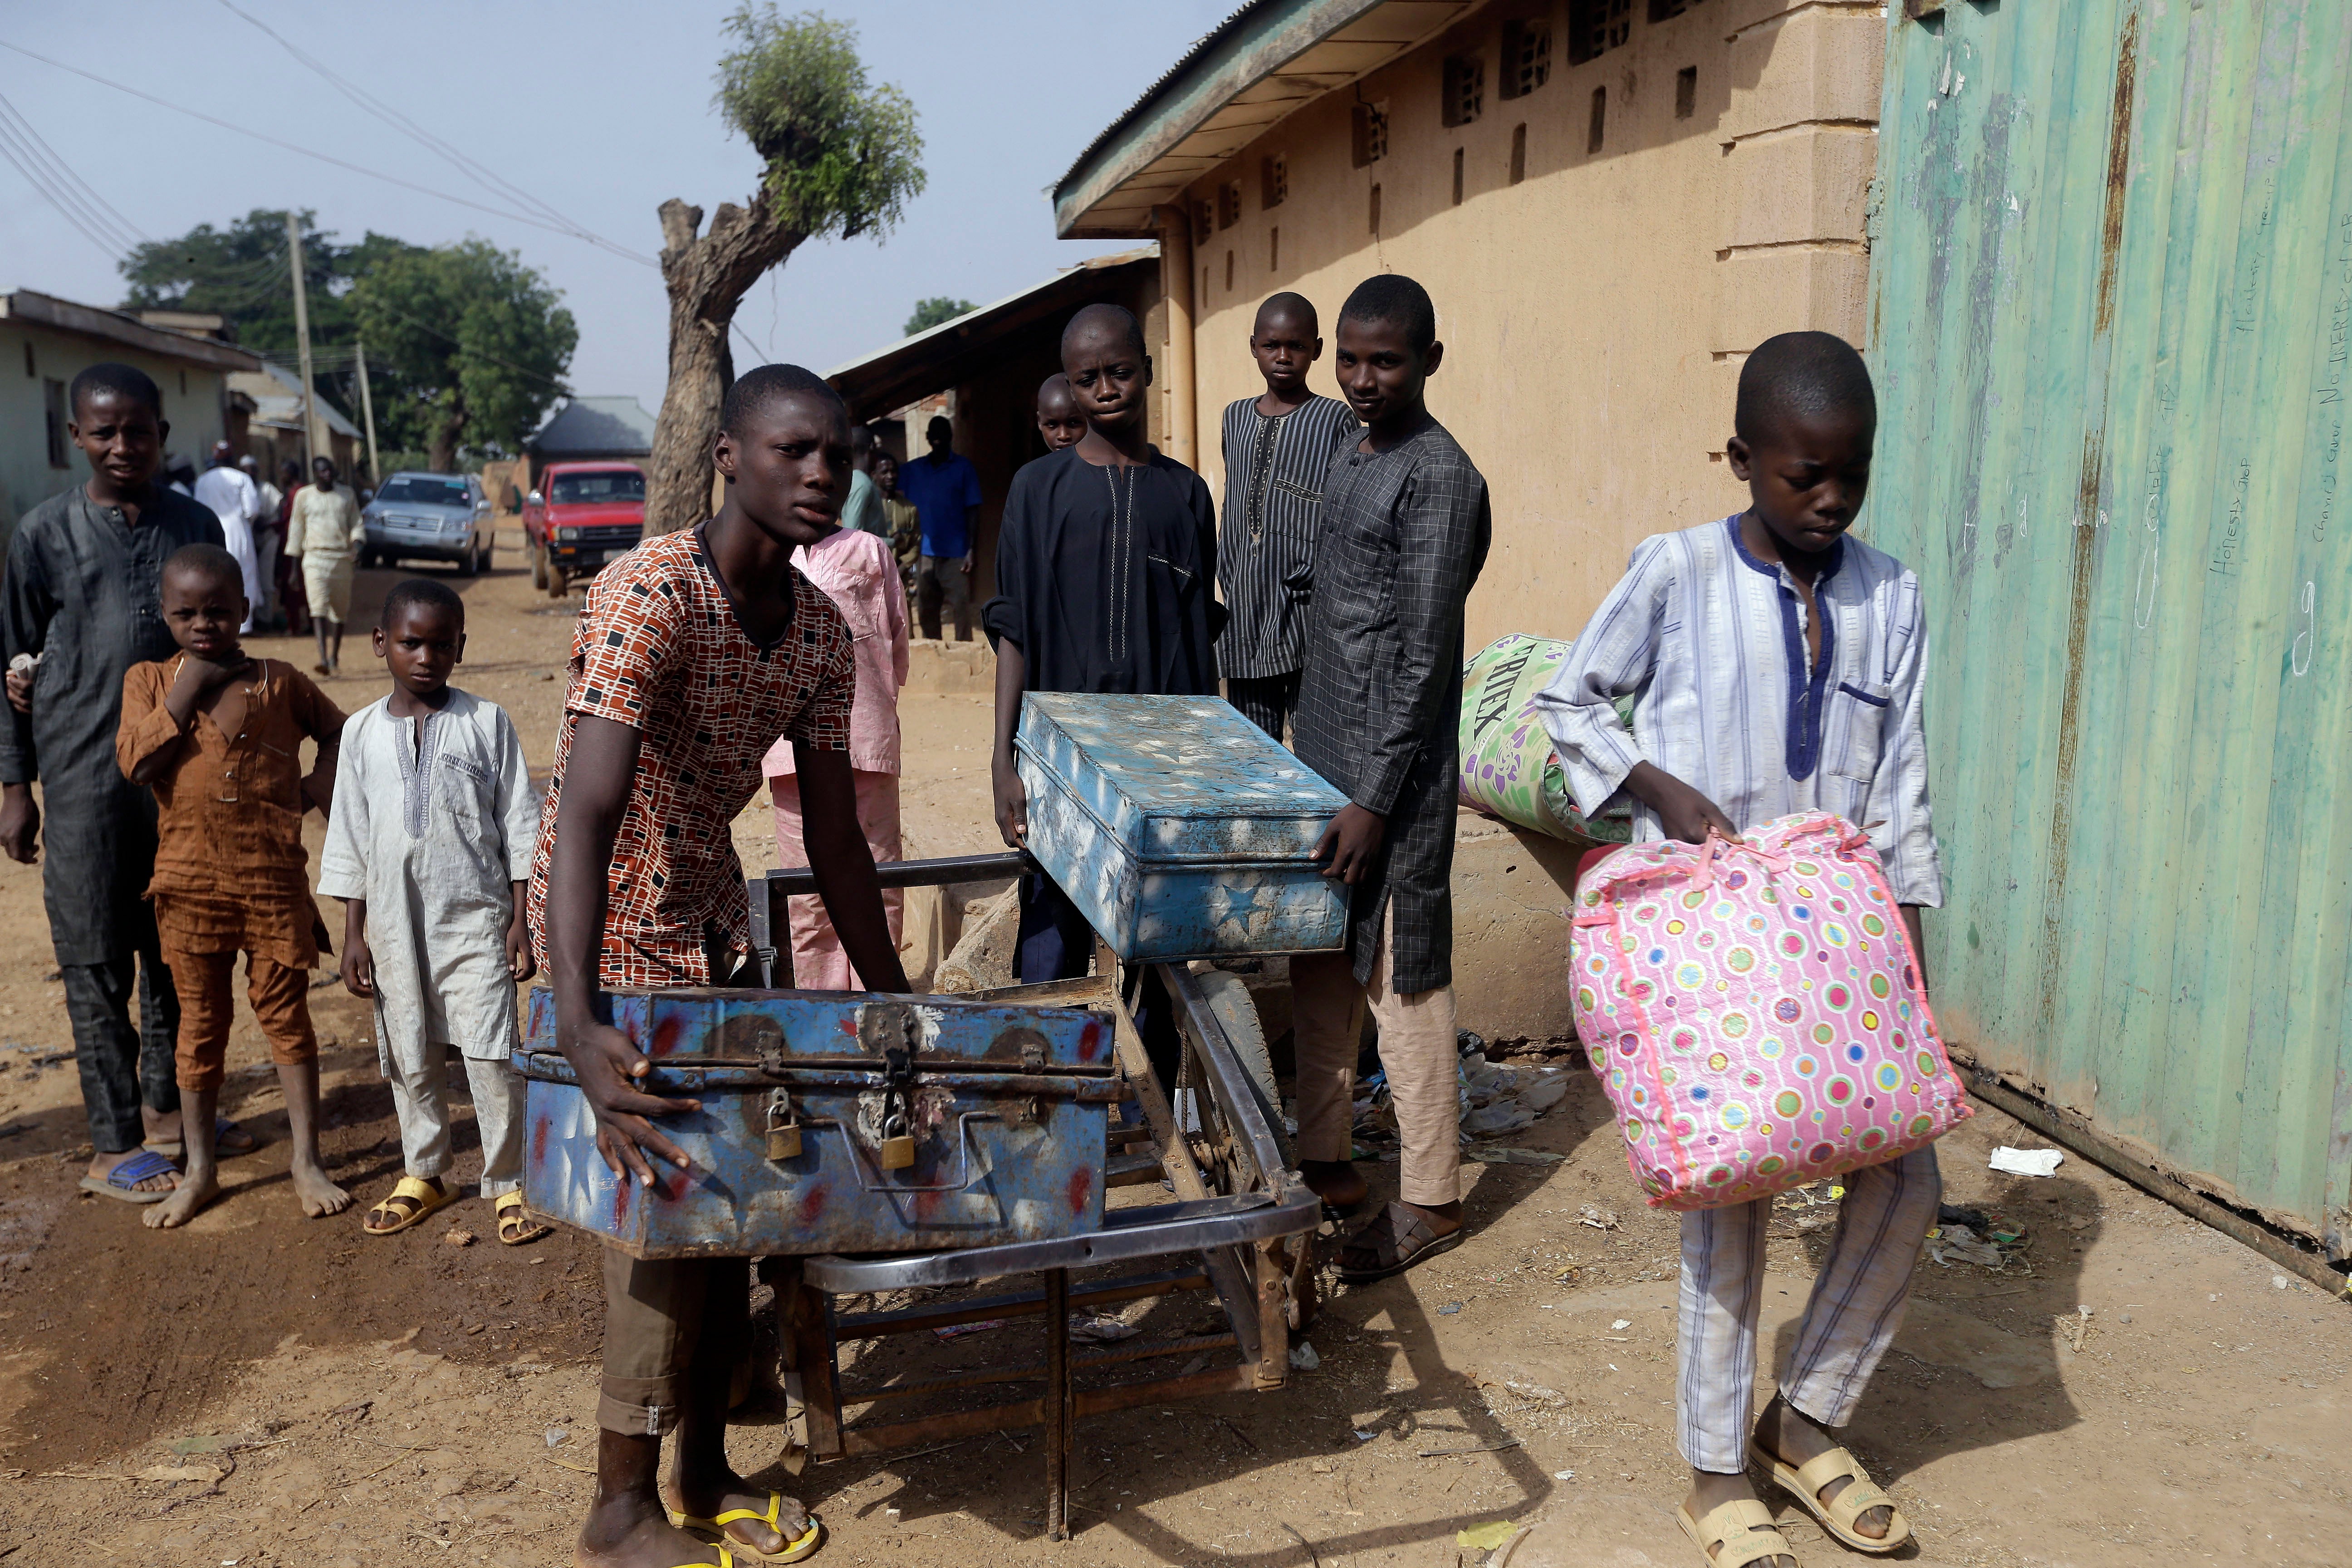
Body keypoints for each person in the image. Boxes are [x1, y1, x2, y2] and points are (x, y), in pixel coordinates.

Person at [1533, 331, 1936, 1568]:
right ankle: (1714, 1475)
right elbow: (1568, 702)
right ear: (1743, 459)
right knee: (1733, 1203)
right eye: (1801, 475)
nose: (1827, 501)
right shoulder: (1674, 574)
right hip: (1708, 944)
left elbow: (1905, 789)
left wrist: (1912, 975)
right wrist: (1665, 784)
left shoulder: (1892, 595)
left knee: (1906, 1178)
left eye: (1849, 477)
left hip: (1839, 944)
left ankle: (1802, 1422)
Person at [532, 363, 907, 1568]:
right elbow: (586, 814)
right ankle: (618, 1510)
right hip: (610, 931)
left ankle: (700, 1469)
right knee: (661, 1210)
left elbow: (837, 837)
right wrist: (584, 1023)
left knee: (736, 1197)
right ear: (730, 460)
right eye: (793, 450)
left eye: (835, 455)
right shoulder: (650, 596)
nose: (818, 472)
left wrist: (893, 993)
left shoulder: (815, 632)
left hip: (709, 921)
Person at [1285, 274, 1490, 1285]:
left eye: (1388, 362)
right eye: (1351, 360)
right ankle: (1324, 1156)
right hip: (1324, 751)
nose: (1364, 380)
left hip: (1393, 782)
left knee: (1403, 977)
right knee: (1320, 958)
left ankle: (1434, 1196)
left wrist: (1373, 797)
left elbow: (1424, 655)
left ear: (1430, 363)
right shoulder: (1348, 446)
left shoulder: (1441, 477)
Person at [0, 363, 240, 1204]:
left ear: (161, 434)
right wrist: (14, 785)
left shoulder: (194, 522)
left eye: (137, 430)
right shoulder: (41, 534)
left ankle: (171, 1107)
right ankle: (111, 1141)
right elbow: (11, 660)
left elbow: (228, 646)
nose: (122, 445)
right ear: (75, 438)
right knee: (95, 954)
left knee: (177, 947)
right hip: (80, 776)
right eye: (103, 431)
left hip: (182, 779)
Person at [985, 303, 1221, 1089]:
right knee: (1051, 926)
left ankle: (1147, 1107)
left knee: (1154, 933)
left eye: (1118, 371)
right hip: (1057, 752)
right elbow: (1013, 628)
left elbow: (1196, 644)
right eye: (1087, 378)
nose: (1105, 390)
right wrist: (1002, 758)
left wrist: (1203, 768)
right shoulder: (1036, 490)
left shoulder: (1184, 495)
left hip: (1159, 759)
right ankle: (1041, 1099)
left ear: (1146, 368)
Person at [116, 543, 352, 1229]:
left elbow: (341, 733)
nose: (203, 625)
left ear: (245, 609)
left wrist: (309, 792)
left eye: (218, 611)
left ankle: (306, 1160)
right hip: (188, 889)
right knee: (200, 1026)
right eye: (185, 613)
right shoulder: (151, 681)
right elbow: (134, 763)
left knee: (286, 1016)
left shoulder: (281, 682)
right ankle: (200, 1170)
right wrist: (187, 688)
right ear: (164, 615)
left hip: (272, 883)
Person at [320, 579, 548, 1245]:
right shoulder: (360, 733)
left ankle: (508, 1181)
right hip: (392, 924)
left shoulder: (487, 723)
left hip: (475, 920)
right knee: (411, 1049)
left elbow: (519, 826)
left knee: (489, 1050)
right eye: (411, 642)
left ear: (461, 648)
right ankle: (426, 1170)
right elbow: (351, 836)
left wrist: (521, 919)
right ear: (381, 643)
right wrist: (354, 933)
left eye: (441, 645)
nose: (425, 657)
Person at [764, 498, 911, 990]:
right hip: (790, 751)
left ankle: (880, 1009)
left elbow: (895, 637)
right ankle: (825, 1015)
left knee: (878, 877)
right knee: (808, 895)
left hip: (863, 738)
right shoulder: (768, 554)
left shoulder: (870, 550)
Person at [1217, 292, 1359, 744]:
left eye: (1296, 346)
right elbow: (1235, 503)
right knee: (1253, 749)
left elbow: (1342, 511)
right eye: (1272, 345)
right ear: (1254, 346)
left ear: (1317, 350)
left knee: (1315, 745)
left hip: (1305, 614)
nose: (1283, 357)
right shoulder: (1235, 417)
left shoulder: (1335, 418)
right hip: (1244, 610)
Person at [899, 415, 981, 641]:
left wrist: (971, 549)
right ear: (927, 438)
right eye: (934, 436)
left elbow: (973, 510)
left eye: (943, 436)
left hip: (956, 552)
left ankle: (965, 651)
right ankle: (933, 649)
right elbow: (887, 488)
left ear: (951, 437)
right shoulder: (912, 471)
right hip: (924, 553)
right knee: (926, 608)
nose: (938, 441)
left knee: (961, 606)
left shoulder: (964, 468)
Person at [287, 455, 363, 675]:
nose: (327, 474)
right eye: (322, 471)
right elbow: (296, 530)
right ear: (315, 474)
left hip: (341, 559)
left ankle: (334, 656)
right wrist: (294, 567)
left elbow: (357, 524)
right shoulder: (304, 496)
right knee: (317, 608)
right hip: (314, 558)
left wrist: (358, 545)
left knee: (340, 612)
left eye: (329, 470)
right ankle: (322, 658)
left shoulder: (347, 495)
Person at [192, 440, 265, 633]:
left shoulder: (203, 480)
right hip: (238, 529)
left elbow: (198, 508)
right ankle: (245, 625)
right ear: (232, 458)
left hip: (211, 531)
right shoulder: (241, 478)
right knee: (244, 574)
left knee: (215, 576)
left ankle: (217, 620)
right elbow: (253, 509)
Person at [245, 455, 285, 630]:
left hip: (268, 537)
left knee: (266, 579)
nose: (250, 473)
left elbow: (281, 505)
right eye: (246, 470)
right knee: (249, 578)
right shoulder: (243, 488)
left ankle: (266, 619)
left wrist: (268, 523)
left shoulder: (267, 489)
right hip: (249, 538)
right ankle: (251, 619)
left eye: (253, 470)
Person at [874, 450, 920, 601]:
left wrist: (901, 568)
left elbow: (916, 544)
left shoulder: (910, 509)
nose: (890, 476)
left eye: (893, 471)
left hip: (900, 580)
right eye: (885, 472)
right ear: (875, 475)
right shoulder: (868, 508)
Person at [273, 459, 312, 637]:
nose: (282, 476)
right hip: (291, 541)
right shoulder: (298, 491)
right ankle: (307, 624)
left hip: (295, 544)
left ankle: (294, 626)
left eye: (284, 472)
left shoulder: (297, 493)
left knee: (294, 586)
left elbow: (291, 520)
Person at [838, 423, 886, 539]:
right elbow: (853, 538)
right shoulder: (861, 484)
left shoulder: (857, 480)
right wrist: (893, 542)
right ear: (871, 447)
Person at [1034, 373, 1085, 453]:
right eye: (1052, 425)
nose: (1063, 436)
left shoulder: (1107, 464)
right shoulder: (1036, 466)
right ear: (1039, 422)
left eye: (1074, 423)